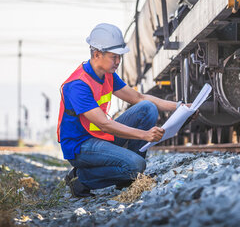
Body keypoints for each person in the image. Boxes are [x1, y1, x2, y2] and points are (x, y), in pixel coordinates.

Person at [58, 23, 183, 198]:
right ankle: (80, 179)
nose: (118, 62)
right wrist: (144, 135)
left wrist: (179, 107)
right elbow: (104, 124)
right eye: (113, 57)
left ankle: (127, 175)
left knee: (147, 108)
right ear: (97, 54)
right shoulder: (78, 85)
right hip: (80, 146)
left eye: (120, 57)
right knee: (137, 165)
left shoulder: (107, 74)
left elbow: (139, 98)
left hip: (98, 137)